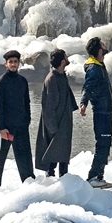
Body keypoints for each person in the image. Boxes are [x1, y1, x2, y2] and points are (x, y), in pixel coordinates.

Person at [0, 50, 35, 190]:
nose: (13, 64)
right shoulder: (1, 82)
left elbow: (26, 102)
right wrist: (0, 127)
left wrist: (27, 120)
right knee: (0, 155)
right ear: (6, 64)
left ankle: (28, 180)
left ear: (19, 63)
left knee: (25, 155)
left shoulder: (23, 81)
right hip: (6, 128)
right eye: (11, 62)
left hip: (21, 126)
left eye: (15, 62)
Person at [35, 49, 78, 178]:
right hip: (56, 125)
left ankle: (64, 180)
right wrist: (53, 128)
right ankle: (52, 184)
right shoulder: (52, 78)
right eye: (66, 56)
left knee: (63, 155)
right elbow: (49, 107)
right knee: (52, 156)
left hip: (63, 123)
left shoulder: (61, 76)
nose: (67, 58)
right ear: (63, 61)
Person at [80, 37, 112, 189]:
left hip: (105, 111)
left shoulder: (98, 65)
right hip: (101, 112)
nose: (105, 45)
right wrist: (83, 103)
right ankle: (94, 177)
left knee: (105, 144)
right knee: (102, 144)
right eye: (102, 44)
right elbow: (87, 87)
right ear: (99, 50)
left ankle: (98, 176)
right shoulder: (94, 68)